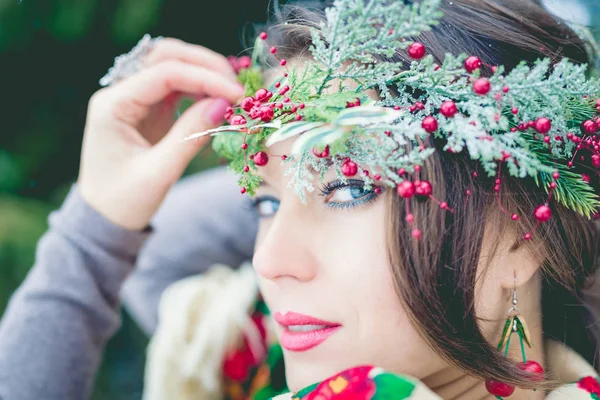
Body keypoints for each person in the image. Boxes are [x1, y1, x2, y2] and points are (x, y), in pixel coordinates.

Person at [1, 1, 600, 400]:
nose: (267, 260)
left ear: (524, 230)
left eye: (350, 186)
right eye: (261, 208)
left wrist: (91, 235)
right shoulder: (241, 352)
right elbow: (165, 252)